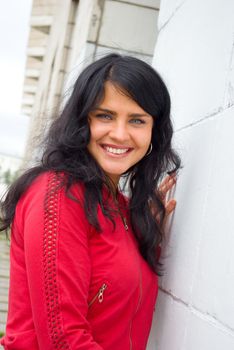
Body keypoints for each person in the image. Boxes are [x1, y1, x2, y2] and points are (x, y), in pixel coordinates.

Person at [0, 53, 181, 349]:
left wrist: (144, 232)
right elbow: (63, 340)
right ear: (82, 120)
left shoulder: (121, 207)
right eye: (105, 116)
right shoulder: (58, 195)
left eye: (137, 120)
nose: (120, 134)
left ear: (153, 132)